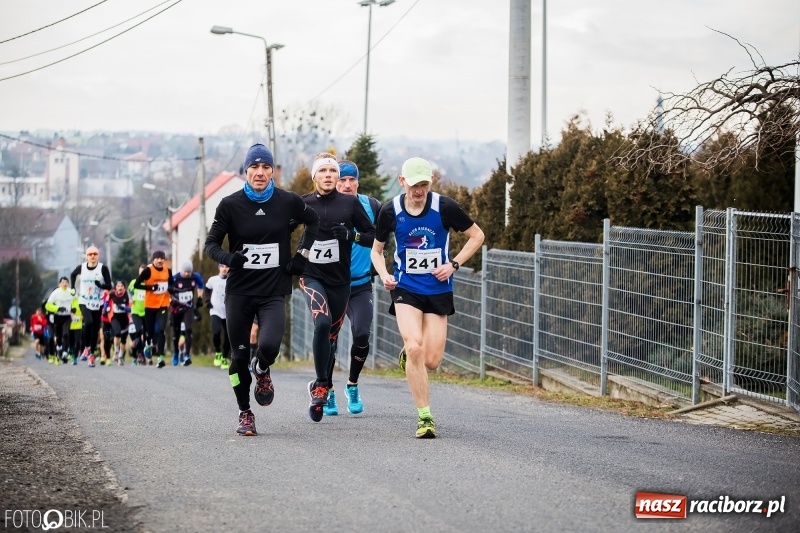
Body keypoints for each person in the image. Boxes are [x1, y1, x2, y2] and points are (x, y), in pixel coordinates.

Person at [205, 143, 320, 436]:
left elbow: (313, 221)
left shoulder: (287, 201)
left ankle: (263, 369)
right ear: (246, 171)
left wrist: (300, 256)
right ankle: (245, 412)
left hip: (272, 291)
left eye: (265, 167)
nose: (259, 172)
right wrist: (229, 258)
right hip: (240, 293)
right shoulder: (230, 205)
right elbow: (211, 245)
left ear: (272, 171)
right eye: (254, 167)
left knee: (268, 346)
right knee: (239, 358)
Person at [370, 157, 484, 438]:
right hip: (406, 288)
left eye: (423, 184)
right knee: (415, 347)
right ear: (402, 182)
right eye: (413, 185)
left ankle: (410, 356)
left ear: (430, 181)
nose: (418, 190)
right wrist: (385, 274)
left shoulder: (443, 207)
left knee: (431, 360)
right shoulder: (390, 211)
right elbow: (376, 251)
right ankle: (425, 417)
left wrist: (454, 264)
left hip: (437, 289)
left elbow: (477, 236)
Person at [295, 153, 375, 422]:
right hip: (312, 275)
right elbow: (280, 229)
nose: (329, 175)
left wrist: (352, 235)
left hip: (342, 282)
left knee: (332, 337)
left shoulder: (351, 204)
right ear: (315, 176)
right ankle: (320, 385)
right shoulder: (303, 204)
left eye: (333, 171)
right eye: (323, 171)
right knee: (322, 323)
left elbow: (374, 236)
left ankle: (331, 386)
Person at [323, 160, 382, 416]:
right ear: (335, 182)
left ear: (358, 181)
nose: (347, 185)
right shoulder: (326, 205)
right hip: (331, 285)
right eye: (342, 180)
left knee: (361, 334)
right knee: (327, 340)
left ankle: (352, 385)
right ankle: (327, 391)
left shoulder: (373, 206)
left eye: (351, 180)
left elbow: (380, 240)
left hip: (359, 285)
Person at [70, 245, 112, 367]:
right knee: (88, 322)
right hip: (84, 300)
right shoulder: (82, 267)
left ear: (98, 255)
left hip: (97, 302)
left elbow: (109, 286)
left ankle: (91, 354)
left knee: (94, 329)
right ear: (87, 256)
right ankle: (87, 348)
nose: (92, 256)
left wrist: (101, 286)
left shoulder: (103, 268)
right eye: (90, 254)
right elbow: (73, 275)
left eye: (95, 254)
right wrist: (73, 287)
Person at [133, 250, 174, 368]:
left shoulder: (168, 271)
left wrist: (171, 289)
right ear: (153, 259)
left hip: (163, 304)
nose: (160, 260)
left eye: (162, 258)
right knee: (150, 332)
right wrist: (150, 287)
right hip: (150, 305)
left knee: (161, 330)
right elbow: (136, 284)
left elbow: (171, 283)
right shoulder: (148, 270)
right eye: (158, 258)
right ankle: (147, 344)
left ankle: (160, 357)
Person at [170, 261, 205, 367]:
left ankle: (186, 355)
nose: (187, 274)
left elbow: (200, 286)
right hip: (176, 308)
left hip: (188, 307)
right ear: (182, 270)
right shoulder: (175, 278)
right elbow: (167, 290)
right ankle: (176, 353)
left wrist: (199, 298)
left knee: (188, 329)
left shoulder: (195, 276)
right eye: (185, 272)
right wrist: (172, 300)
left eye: (189, 272)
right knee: (176, 333)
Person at [205, 263, 231, 370]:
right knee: (216, 332)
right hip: (215, 310)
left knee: (228, 336)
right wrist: (207, 301)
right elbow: (207, 289)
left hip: (228, 312)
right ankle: (218, 352)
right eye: (222, 266)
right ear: (219, 268)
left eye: (226, 267)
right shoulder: (213, 280)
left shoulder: (232, 280)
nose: (224, 269)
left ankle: (224, 357)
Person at [44, 277, 75, 363]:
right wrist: (57, 308)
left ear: (68, 284)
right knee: (58, 336)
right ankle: (59, 347)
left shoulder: (71, 292)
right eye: (63, 282)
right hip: (58, 317)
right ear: (59, 284)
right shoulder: (56, 293)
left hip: (67, 317)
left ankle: (65, 352)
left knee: (65, 333)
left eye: (66, 282)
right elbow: (47, 305)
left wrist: (74, 308)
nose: (64, 284)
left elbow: (76, 300)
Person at [106, 280, 132, 365]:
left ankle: (121, 356)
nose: (120, 288)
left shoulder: (127, 295)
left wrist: (125, 308)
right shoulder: (112, 294)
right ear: (115, 287)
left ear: (124, 287)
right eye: (118, 286)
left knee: (123, 340)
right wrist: (105, 309)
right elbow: (106, 301)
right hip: (115, 317)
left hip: (125, 319)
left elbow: (132, 308)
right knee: (117, 333)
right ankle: (116, 352)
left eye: (121, 286)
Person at [128, 265, 147, 365]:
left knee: (146, 335)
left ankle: (141, 354)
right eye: (140, 272)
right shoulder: (134, 282)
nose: (141, 274)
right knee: (139, 330)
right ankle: (138, 353)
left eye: (143, 272)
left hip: (146, 312)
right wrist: (131, 298)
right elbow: (129, 291)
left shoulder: (149, 283)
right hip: (135, 311)